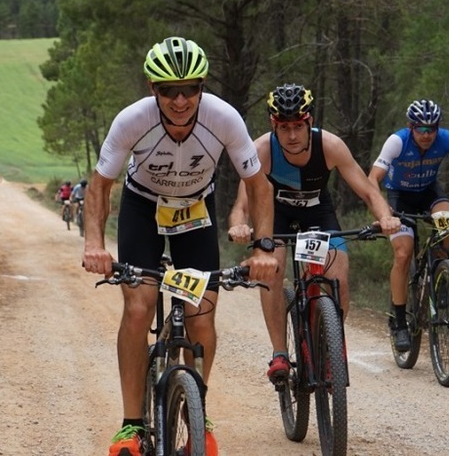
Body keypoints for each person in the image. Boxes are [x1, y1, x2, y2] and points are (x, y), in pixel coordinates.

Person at [81, 36, 279, 456]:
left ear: (202, 87)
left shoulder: (223, 118)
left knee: (201, 316)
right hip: (143, 208)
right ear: (153, 89)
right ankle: (131, 425)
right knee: (139, 306)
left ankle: (198, 411)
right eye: (169, 90)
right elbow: (100, 186)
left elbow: (258, 185)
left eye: (190, 88)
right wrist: (95, 244)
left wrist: (263, 247)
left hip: (195, 211)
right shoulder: (131, 120)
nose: (180, 99)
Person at [227, 83, 401, 386]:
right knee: (271, 272)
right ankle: (280, 352)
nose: (292, 136)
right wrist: (240, 225)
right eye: (284, 127)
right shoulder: (261, 151)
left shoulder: (330, 145)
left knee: (338, 278)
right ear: (274, 125)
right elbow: (241, 205)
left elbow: (368, 191)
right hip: (277, 218)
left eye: (298, 126)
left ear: (310, 122)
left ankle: (329, 343)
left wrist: (386, 217)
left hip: (318, 215)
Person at [368, 98, 449, 352]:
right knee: (403, 253)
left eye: (433, 129)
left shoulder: (447, 139)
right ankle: (398, 322)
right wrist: (384, 214)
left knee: (448, 224)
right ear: (411, 127)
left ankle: (441, 275)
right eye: (421, 129)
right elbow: (373, 179)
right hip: (400, 199)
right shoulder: (397, 141)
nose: (427, 135)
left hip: (430, 194)